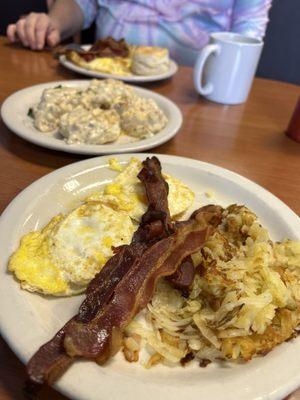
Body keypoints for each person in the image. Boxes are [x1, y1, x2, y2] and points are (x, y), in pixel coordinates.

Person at [6, 0, 272, 65]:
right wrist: (52, 22)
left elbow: (249, 30)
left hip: (194, 89)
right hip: (102, 69)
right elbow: (84, 4)